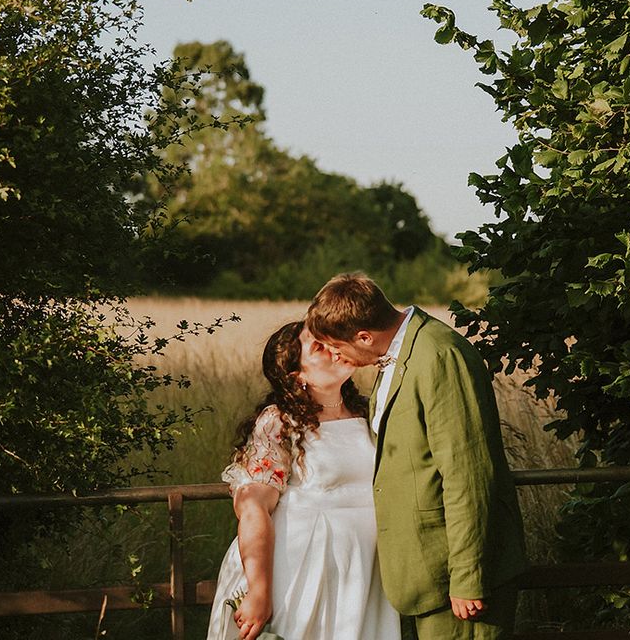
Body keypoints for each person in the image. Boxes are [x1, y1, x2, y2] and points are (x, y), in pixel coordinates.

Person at [307, 273, 527, 640]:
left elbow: (468, 474)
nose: (334, 356)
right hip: (426, 573)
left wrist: (468, 578)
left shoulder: (439, 354)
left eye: (335, 345)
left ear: (364, 336)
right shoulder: (394, 355)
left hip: (457, 581)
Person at [206, 319, 402, 640]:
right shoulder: (280, 422)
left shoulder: (368, 412)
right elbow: (253, 507)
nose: (333, 349)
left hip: (363, 570)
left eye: (332, 340)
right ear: (298, 376)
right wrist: (259, 590)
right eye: (318, 347)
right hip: (302, 568)